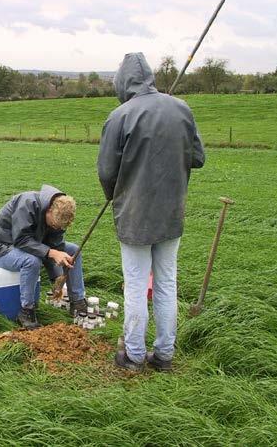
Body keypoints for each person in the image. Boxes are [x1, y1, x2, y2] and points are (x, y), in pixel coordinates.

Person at [97, 52, 205, 372]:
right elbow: (197, 158)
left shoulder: (120, 116)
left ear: (122, 82)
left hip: (134, 215)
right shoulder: (181, 108)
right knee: (166, 283)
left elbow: (106, 171)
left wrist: (116, 195)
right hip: (171, 212)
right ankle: (164, 356)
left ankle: (132, 355)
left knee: (135, 284)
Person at [0, 184, 88, 329]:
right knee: (32, 261)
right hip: (2, 247)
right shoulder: (27, 203)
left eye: (60, 228)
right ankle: (26, 310)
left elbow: (55, 245)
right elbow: (21, 240)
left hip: (32, 245)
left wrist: (58, 279)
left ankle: (77, 302)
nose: (56, 229)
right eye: (54, 225)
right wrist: (52, 253)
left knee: (73, 250)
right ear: (49, 210)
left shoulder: (58, 218)